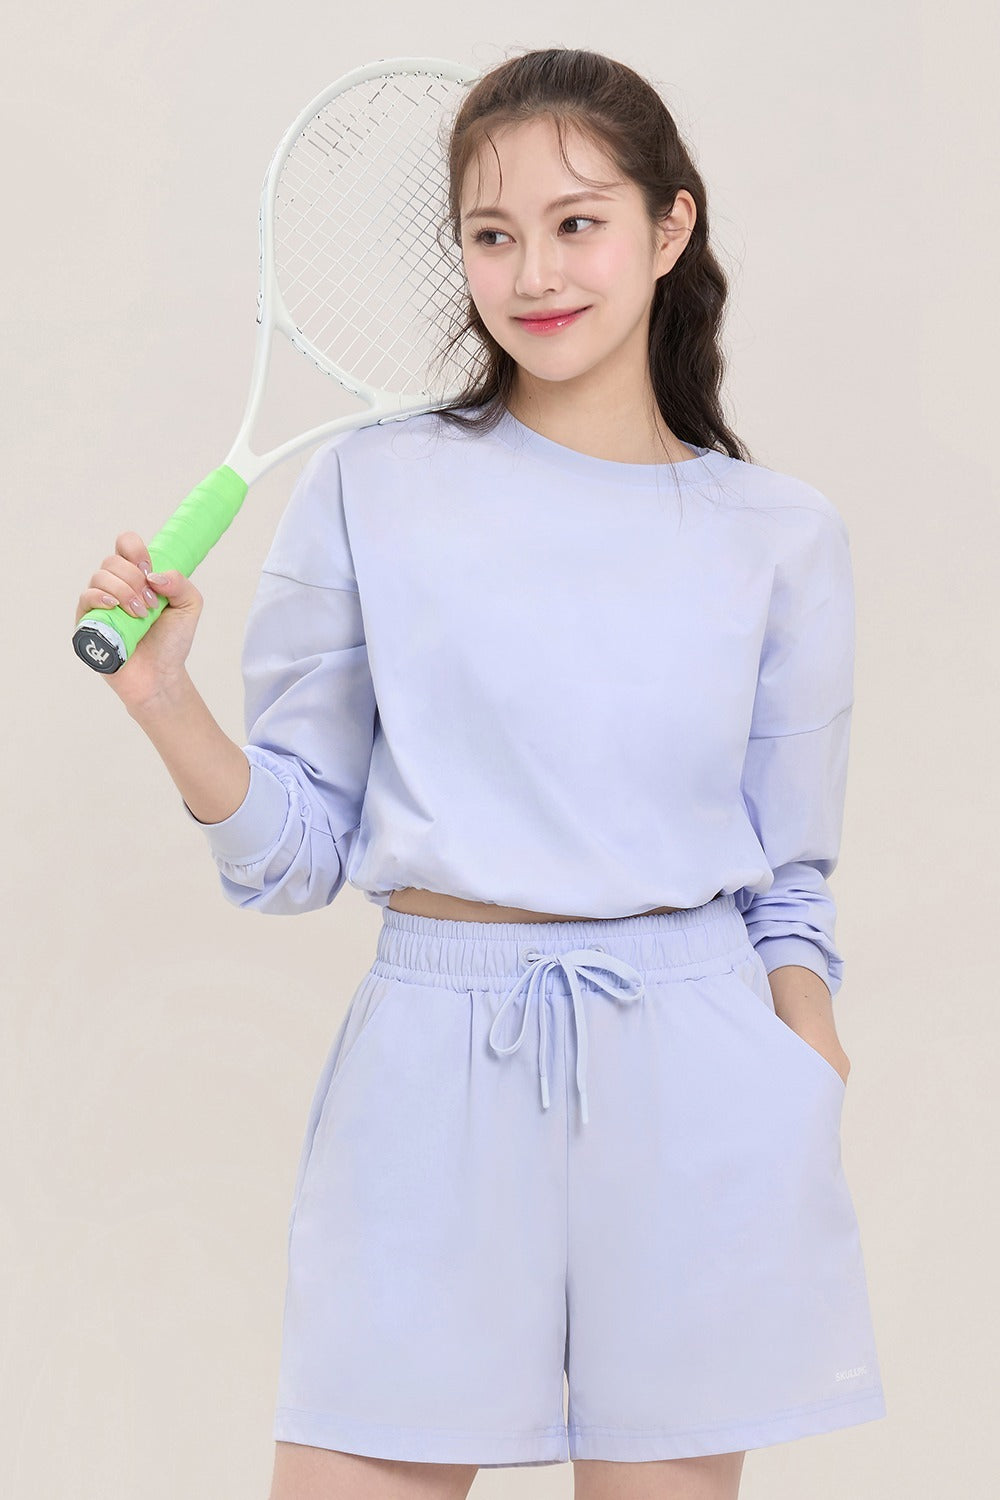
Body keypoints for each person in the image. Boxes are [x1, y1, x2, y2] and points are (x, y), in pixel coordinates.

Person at [76, 46, 886, 1500]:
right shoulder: (372, 484)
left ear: (671, 227)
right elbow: (294, 856)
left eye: (579, 223)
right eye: (493, 234)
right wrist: (163, 698)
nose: (535, 273)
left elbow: (791, 872)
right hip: (431, 1072)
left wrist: (803, 1059)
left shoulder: (780, 533)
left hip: (696, 1076)